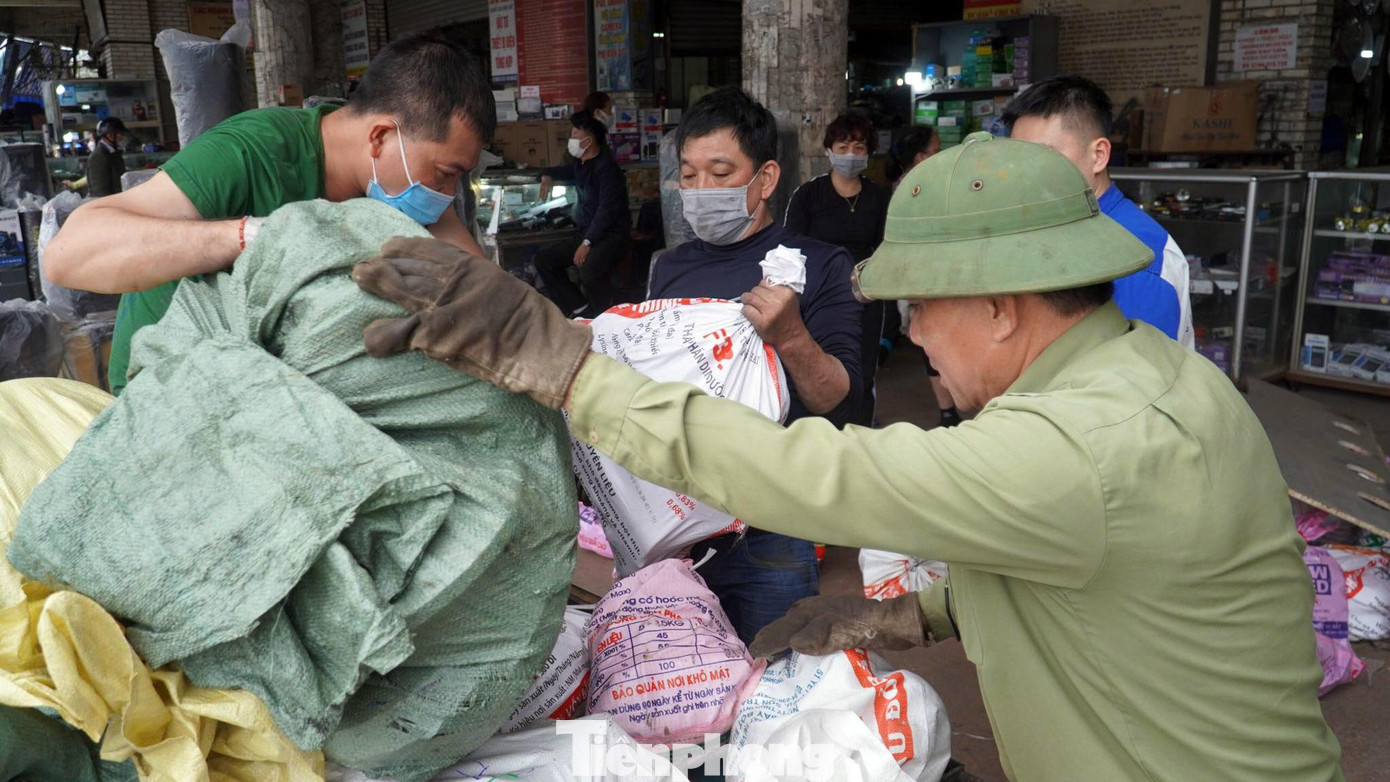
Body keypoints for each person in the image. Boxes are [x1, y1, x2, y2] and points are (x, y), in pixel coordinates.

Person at [350, 131, 1343, 781]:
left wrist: (563, 365)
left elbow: (819, 475)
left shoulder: (1076, 442)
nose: (911, 337)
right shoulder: (1152, 379)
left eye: (920, 310)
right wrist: (911, 614)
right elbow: (1105, 570)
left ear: (1003, 309)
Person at [44, 31, 494, 395]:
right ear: (379, 137)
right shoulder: (252, 151)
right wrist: (256, 237)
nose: (446, 193)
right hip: (173, 391)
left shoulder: (403, 186)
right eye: (444, 173)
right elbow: (68, 254)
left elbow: (477, 289)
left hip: (284, 388)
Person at [644, 87, 863, 643]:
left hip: (771, 530)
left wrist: (790, 335)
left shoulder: (818, 264)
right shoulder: (668, 269)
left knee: (772, 681)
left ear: (765, 180)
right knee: (686, 689)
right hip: (675, 523)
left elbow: (842, 398)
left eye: (720, 173)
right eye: (688, 176)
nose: (700, 192)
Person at [1002, 75, 1194, 348]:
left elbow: (1138, 381)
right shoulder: (1056, 226)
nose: (1026, 174)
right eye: (1018, 159)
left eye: (1044, 157)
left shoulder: (1138, 259)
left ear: (1099, 155)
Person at [784, 113, 888, 427]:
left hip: (866, 297)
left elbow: (889, 248)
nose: (850, 155)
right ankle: (819, 436)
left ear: (869, 152)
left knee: (863, 370)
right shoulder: (808, 195)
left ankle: (860, 432)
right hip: (818, 298)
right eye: (843, 146)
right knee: (815, 368)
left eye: (858, 147)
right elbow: (790, 250)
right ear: (829, 150)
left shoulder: (880, 197)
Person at [893, 126, 960, 428]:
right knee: (933, 345)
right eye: (936, 149)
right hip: (922, 280)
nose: (941, 153)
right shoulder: (909, 190)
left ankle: (950, 410)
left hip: (934, 278)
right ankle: (948, 411)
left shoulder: (932, 184)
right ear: (920, 157)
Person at [534, 111, 630, 317]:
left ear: (587, 141)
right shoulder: (581, 164)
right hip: (587, 232)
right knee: (544, 260)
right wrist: (546, 175)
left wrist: (587, 243)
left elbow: (606, 211)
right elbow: (564, 171)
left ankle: (604, 318)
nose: (571, 141)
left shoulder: (607, 169)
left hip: (610, 235)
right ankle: (579, 309)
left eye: (575, 136)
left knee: (589, 270)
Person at [85, 118, 128, 198]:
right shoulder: (99, 156)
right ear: (111, 135)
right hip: (110, 204)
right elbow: (99, 190)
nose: (123, 138)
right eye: (121, 134)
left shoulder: (114, 153)